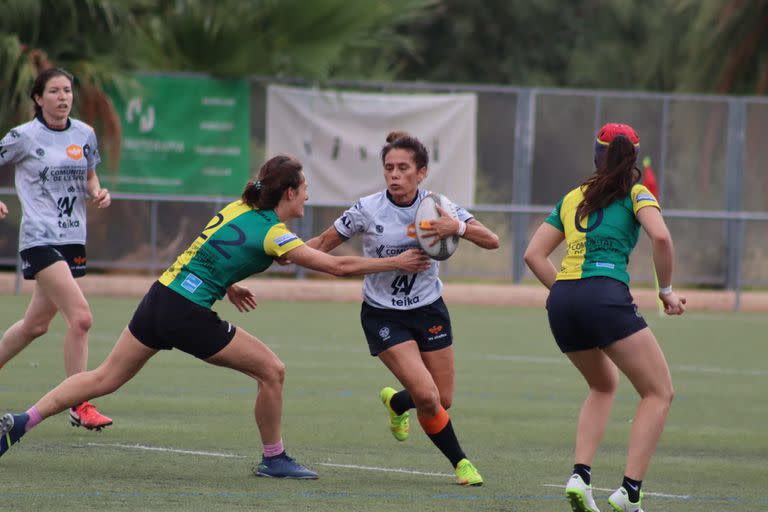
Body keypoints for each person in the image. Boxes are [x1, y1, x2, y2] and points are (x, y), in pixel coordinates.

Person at [0, 154, 431, 479]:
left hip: (161, 297)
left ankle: (21, 422)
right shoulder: (273, 232)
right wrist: (397, 262)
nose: (307, 195)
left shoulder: (239, 208)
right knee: (272, 371)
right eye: (304, 189)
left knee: (103, 378)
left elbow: (205, 250)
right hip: (186, 313)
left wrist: (228, 283)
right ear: (288, 194)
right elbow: (335, 267)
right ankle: (274, 458)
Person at [306, 131, 500, 486]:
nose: (394, 175)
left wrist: (455, 226)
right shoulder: (367, 209)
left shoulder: (438, 206)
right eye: (389, 168)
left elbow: (492, 240)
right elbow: (320, 244)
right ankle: (462, 464)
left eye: (403, 168)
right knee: (427, 396)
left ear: (421, 172)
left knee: (443, 398)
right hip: (383, 315)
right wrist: (283, 252)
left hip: (429, 310)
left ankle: (397, 404)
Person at [523, 123, 685, 512]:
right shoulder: (636, 193)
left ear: (596, 155)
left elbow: (533, 255)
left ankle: (580, 476)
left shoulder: (572, 196)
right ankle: (629, 492)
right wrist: (665, 291)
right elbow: (661, 238)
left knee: (603, 385)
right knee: (659, 392)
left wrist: (564, 291)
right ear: (633, 158)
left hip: (563, 301)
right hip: (604, 294)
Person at [0, 68, 113, 430]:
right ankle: (79, 403)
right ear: (38, 98)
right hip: (39, 238)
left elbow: (90, 174)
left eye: (67, 90)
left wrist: (97, 191)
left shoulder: (85, 134)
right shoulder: (23, 136)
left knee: (35, 325)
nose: (63, 97)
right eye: (54, 91)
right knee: (81, 317)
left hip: (72, 239)